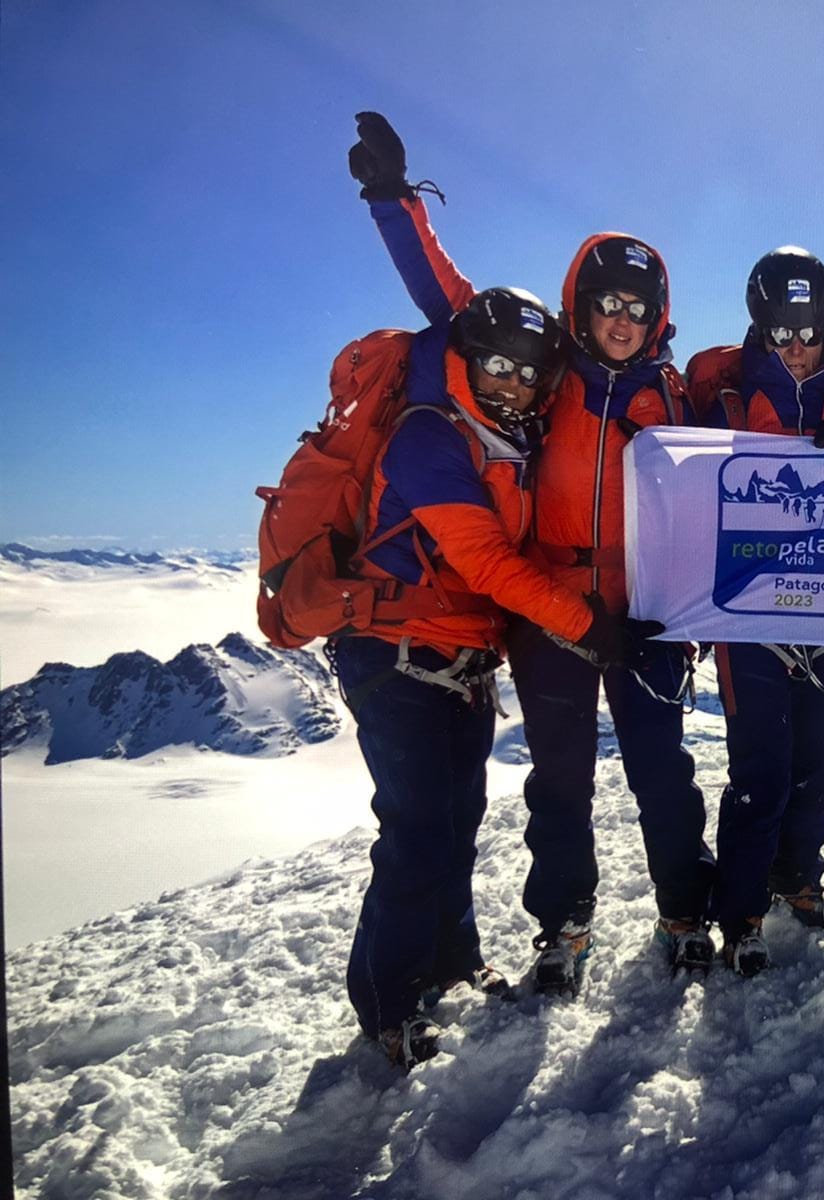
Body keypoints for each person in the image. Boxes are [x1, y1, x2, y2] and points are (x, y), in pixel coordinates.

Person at [348, 113, 715, 990]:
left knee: (664, 773)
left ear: (657, 315)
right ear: (581, 306)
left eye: (638, 307)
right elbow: (454, 303)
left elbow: (736, 486)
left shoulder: (674, 392)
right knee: (561, 781)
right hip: (548, 605)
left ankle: (685, 910)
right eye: (607, 304)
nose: (621, 321)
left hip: (649, 609)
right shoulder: (542, 372)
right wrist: (395, 202)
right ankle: (563, 924)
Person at [330, 286, 612, 1067]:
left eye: (529, 374)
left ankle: (449, 963)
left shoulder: (502, 440)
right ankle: (387, 1004)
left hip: (458, 662)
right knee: (418, 832)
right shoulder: (429, 437)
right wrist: (588, 625)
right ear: (462, 359)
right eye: (495, 365)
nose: (513, 383)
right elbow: (484, 560)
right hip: (395, 656)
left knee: (453, 824)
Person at [684, 247, 824, 975]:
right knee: (761, 770)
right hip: (746, 619)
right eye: (780, 334)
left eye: (809, 333)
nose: (797, 349)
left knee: (819, 766)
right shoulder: (722, 405)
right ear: (759, 332)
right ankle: (739, 914)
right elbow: (677, 492)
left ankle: (797, 878)